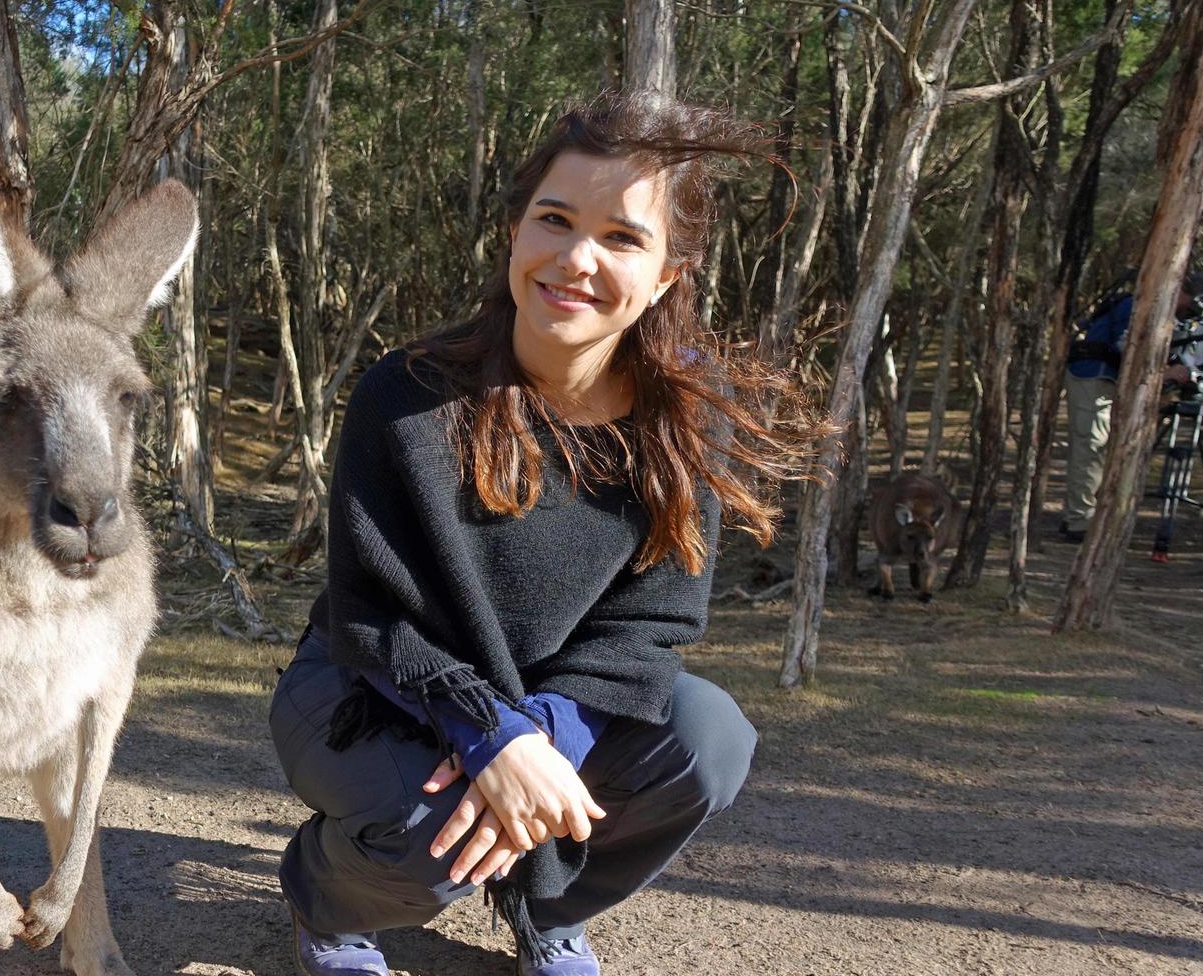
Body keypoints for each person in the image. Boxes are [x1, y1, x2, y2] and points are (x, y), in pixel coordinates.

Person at [268, 92, 824, 976]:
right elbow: (370, 617)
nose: (576, 260)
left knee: (709, 738)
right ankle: (329, 905)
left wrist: (545, 736)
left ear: (668, 274)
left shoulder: (682, 419)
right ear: (515, 232)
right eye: (555, 220)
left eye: (622, 237)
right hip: (367, 688)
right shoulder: (405, 397)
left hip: (548, 700)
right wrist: (492, 737)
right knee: (430, 825)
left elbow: (652, 626)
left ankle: (549, 913)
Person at [1059, 269, 1203, 542]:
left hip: (1113, 382)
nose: (1192, 311)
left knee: (1107, 450)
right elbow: (1129, 350)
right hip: (1094, 377)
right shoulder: (1142, 304)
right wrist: (1168, 373)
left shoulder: (1167, 313)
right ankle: (1079, 521)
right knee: (1091, 447)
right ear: (1183, 292)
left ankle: (1091, 515)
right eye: (1194, 303)